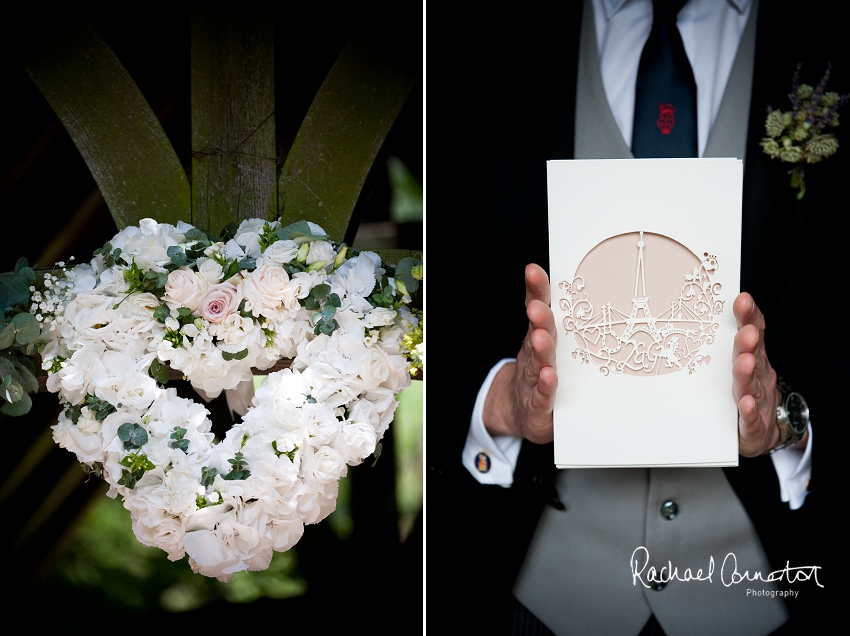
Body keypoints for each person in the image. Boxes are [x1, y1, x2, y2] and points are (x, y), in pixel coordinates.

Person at [428, 0, 848, 634]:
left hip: (762, 583)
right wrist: (501, 405)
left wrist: (786, 420)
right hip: (533, 585)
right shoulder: (476, 46)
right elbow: (429, 303)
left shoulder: (826, 48)